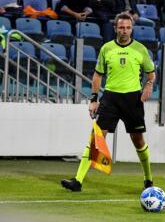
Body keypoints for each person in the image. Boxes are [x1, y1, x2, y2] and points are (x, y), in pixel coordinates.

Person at [61, 12, 156, 192]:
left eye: (128, 27)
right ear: (115, 28)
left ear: (132, 29)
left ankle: (148, 179)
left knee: (138, 141)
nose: (124, 31)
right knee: (96, 138)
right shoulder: (106, 49)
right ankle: (77, 181)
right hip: (110, 98)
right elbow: (98, 75)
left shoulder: (140, 49)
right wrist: (94, 99)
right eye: (121, 27)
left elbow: (151, 74)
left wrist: (149, 85)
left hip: (132, 99)